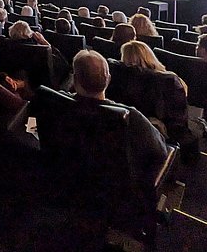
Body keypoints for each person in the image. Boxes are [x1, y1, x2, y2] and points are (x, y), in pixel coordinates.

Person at [72, 50, 168, 185]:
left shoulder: (56, 102)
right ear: (109, 79)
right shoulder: (131, 117)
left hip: (73, 179)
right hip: (117, 190)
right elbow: (160, 152)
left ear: (75, 79)